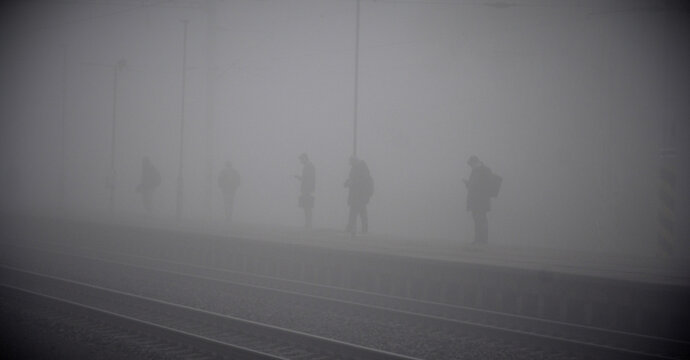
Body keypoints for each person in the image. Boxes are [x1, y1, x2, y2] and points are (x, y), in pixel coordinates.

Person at [463, 155, 492, 244]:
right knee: (477, 219)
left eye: (471, 164)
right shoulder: (476, 171)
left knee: (481, 220)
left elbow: (482, 186)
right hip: (476, 200)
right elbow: (474, 185)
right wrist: (468, 184)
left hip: (480, 200)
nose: (470, 166)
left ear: (474, 162)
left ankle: (482, 240)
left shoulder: (484, 171)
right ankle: (479, 239)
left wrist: (470, 184)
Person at [344, 156, 373, 236]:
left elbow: (362, 180)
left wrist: (353, 182)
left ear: (354, 161)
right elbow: (352, 178)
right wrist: (347, 183)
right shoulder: (355, 168)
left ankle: (359, 228)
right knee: (357, 211)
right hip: (356, 194)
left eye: (351, 163)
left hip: (360, 194)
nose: (351, 165)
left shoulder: (362, 168)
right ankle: (355, 227)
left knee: (358, 211)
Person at [294, 153, 315, 229]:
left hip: (307, 189)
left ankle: (308, 224)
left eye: (301, 159)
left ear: (304, 158)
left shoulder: (308, 166)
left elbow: (307, 179)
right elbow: (307, 179)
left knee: (307, 207)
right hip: (307, 189)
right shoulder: (309, 166)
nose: (300, 161)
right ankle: (308, 224)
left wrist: (300, 178)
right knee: (306, 207)